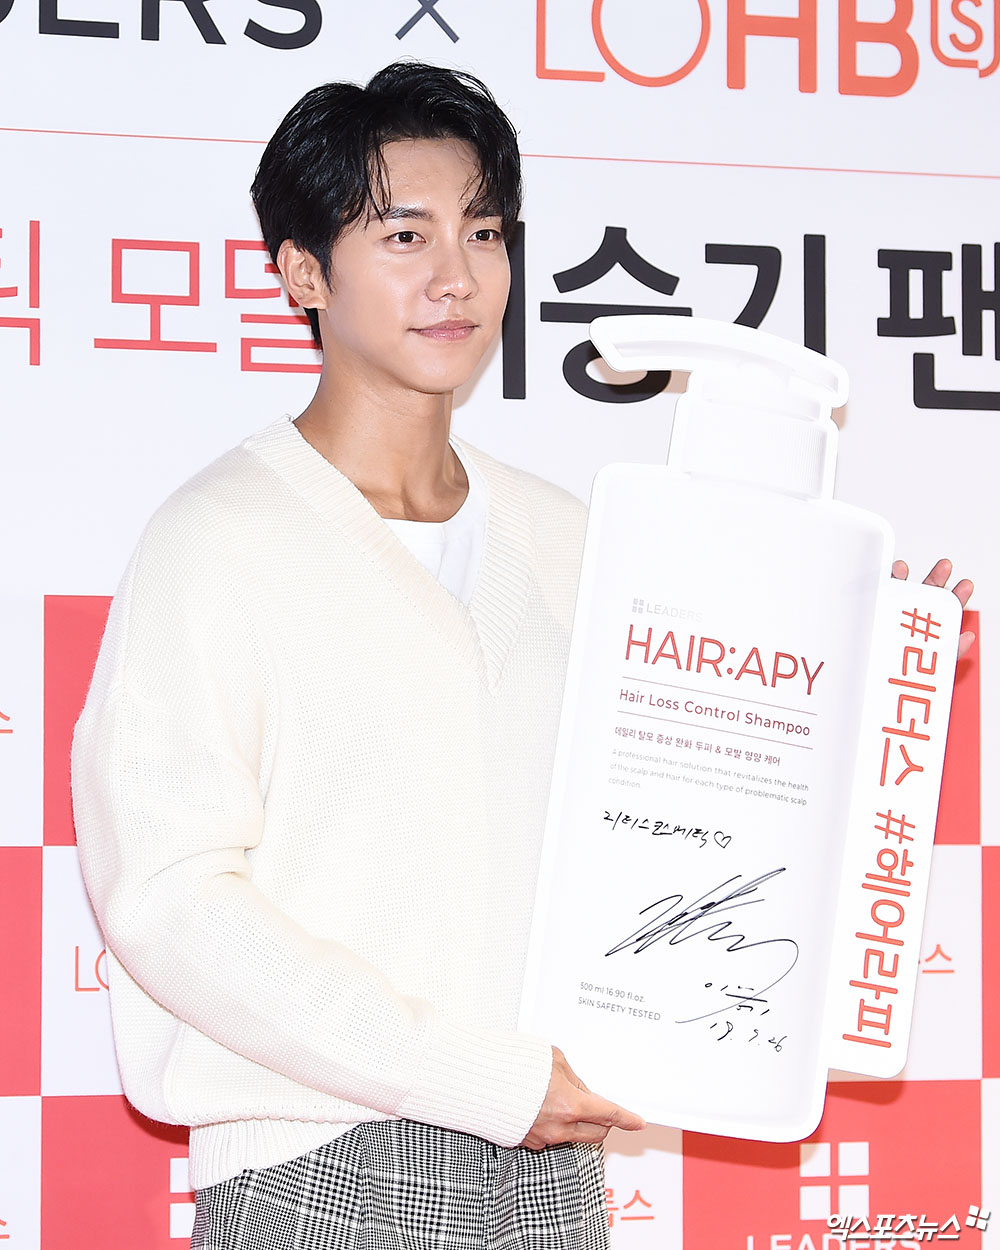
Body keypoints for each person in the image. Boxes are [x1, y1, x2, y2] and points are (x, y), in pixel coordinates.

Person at [72, 61, 647, 1250]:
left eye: (484, 231)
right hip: (318, 1155)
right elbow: (171, 895)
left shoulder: (570, 536)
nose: (457, 275)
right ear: (300, 272)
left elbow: (659, 807)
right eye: (405, 233)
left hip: (548, 1146)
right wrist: (458, 1071)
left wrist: (865, 658)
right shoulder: (216, 539)